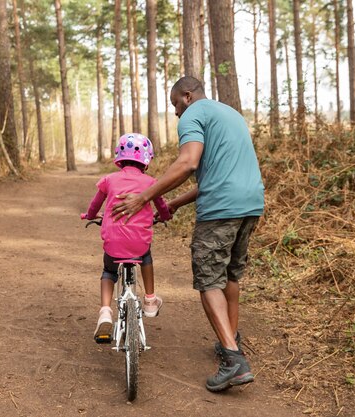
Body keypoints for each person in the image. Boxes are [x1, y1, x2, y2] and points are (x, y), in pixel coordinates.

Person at [111, 76, 265, 392]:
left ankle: (234, 360)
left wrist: (143, 197)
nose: (177, 115)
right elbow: (216, 176)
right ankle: (229, 341)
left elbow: (187, 163)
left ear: (186, 96)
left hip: (221, 210)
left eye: (175, 106)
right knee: (230, 277)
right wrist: (175, 204)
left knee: (209, 280)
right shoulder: (230, 114)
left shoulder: (194, 114)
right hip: (251, 204)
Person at [84, 133, 171, 342]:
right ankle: (150, 299)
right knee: (146, 256)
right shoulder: (151, 183)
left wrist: (89, 216)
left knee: (108, 271)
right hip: (139, 244)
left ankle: (105, 311)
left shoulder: (108, 180)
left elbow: (95, 206)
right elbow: (162, 207)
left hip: (113, 243)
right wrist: (165, 216)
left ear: (119, 157)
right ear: (146, 160)